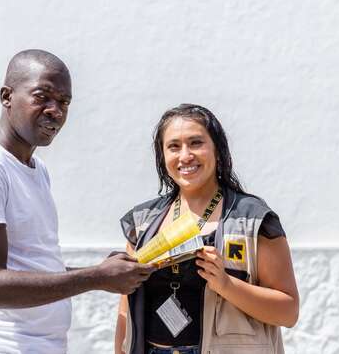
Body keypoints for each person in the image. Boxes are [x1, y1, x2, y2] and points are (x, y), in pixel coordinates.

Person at [0, 49, 154, 354]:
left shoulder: (35, 169)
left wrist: (102, 271)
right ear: (7, 96)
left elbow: (35, 266)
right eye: (42, 96)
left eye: (64, 102)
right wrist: (96, 278)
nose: (55, 110)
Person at [115, 104, 299, 354]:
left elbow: (288, 312)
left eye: (196, 143)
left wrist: (226, 285)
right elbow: (125, 309)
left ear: (218, 151)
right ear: (162, 156)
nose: (185, 155)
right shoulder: (144, 222)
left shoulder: (252, 218)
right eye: (174, 146)